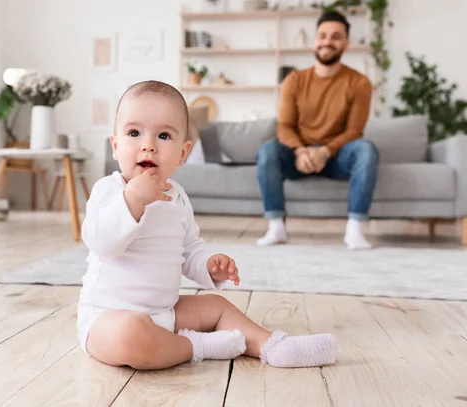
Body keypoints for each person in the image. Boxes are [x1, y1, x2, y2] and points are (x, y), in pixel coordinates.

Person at [77, 80, 337, 371]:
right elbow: (100, 242)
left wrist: (209, 265)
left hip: (165, 313)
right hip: (108, 318)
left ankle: (273, 346)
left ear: (183, 153)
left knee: (216, 306)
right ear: (115, 146)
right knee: (130, 335)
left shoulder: (177, 198)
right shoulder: (109, 191)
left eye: (164, 135)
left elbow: (188, 250)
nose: (148, 144)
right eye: (134, 132)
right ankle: (197, 346)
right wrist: (133, 200)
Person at [256, 11, 379, 250]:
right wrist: (301, 151)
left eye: (335, 37)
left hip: (336, 158)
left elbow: (354, 131)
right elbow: (285, 126)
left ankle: (354, 231)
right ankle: (276, 228)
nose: (327, 41)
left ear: (346, 43)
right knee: (267, 151)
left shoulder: (360, 83)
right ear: (315, 41)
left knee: (366, 150)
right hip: (298, 157)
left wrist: (325, 152)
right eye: (322, 35)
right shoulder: (294, 80)